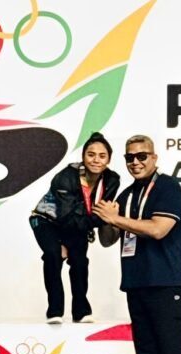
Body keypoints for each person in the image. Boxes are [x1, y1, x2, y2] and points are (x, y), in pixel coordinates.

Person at [94, 135, 181, 354]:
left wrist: (117, 218)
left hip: (166, 283)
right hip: (135, 284)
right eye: (130, 157)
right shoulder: (126, 194)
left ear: (154, 158)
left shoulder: (168, 186)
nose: (135, 162)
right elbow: (107, 239)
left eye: (142, 156)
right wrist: (105, 216)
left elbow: (159, 229)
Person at [29, 132, 120, 324]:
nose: (96, 160)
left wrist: (103, 216)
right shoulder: (65, 177)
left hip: (79, 223)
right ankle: (54, 310)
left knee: (79, 261)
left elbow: (102, 210)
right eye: (91, 154)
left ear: (109, 159)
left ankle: (81, 311)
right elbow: (69, 218)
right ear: (83, 157)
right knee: (53, 254)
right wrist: (101, 217)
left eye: (102, 156)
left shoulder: (112, 180)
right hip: (46, 221)